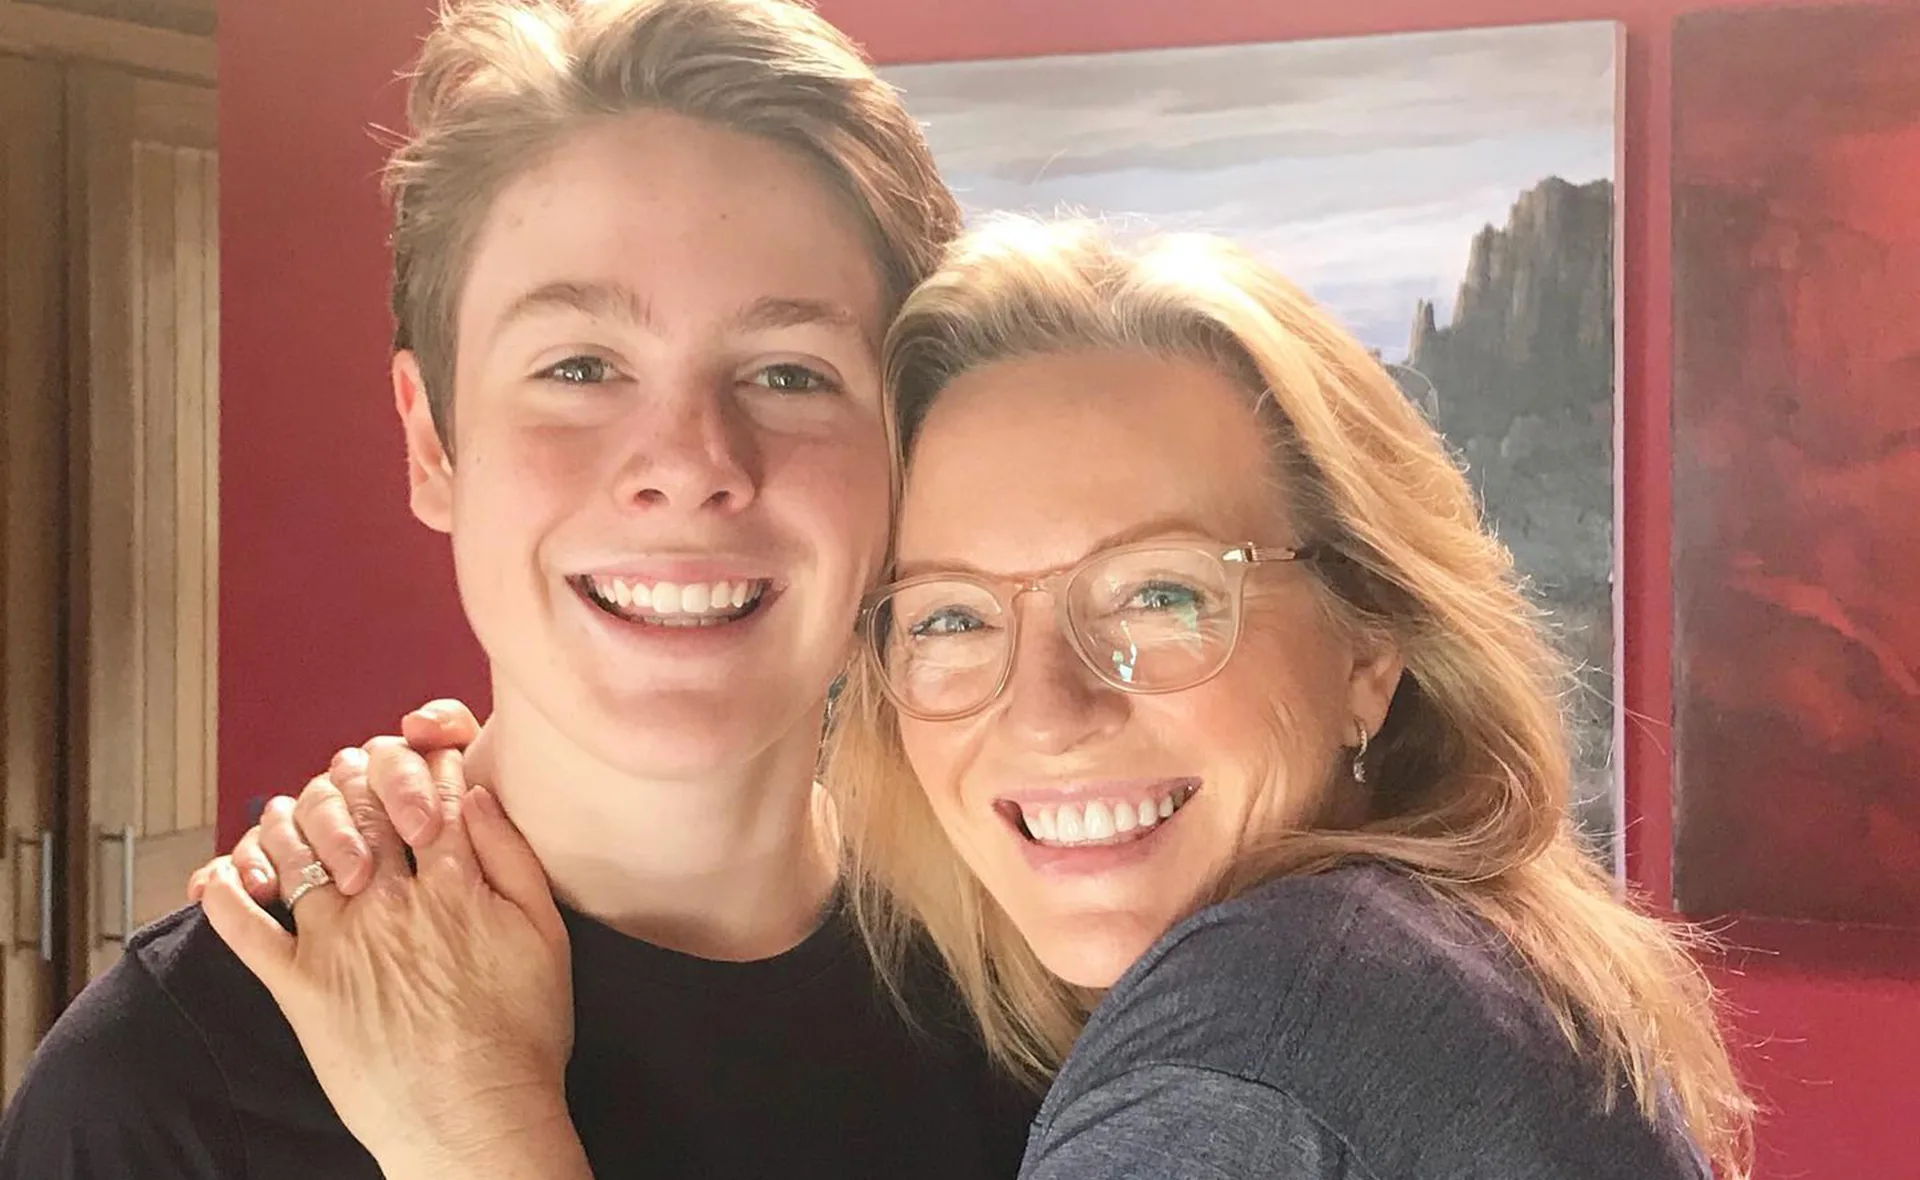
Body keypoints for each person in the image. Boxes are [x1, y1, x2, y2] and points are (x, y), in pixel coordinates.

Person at [204, 216, 1756, 1179]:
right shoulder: (1429, 970)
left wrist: (477, 1139)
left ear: (1371, 647)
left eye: (1160, 595)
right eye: (950, 617)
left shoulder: (1252, 1060)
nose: (1049, 709)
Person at [0, 2, 1039, 1177]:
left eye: (789, 372)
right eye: (581, 367)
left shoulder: (1048, 1005)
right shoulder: (168, 1089)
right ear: (432, 445)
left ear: (905, 455)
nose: (692, 464)